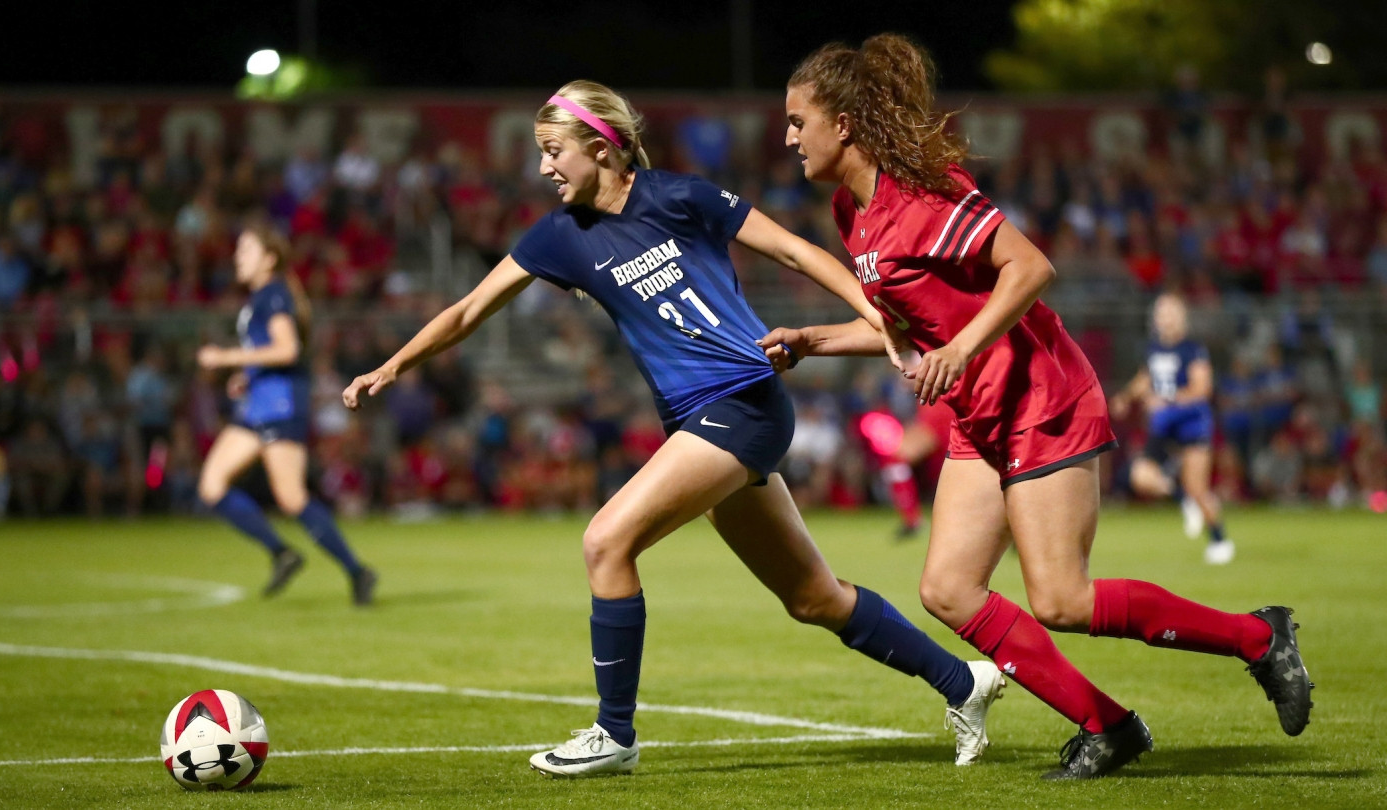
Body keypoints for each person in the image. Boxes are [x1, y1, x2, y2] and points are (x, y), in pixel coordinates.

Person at [343, 80, 1005, 778]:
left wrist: (873, 315)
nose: (543, 168)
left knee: (606, 541)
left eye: (553, 151)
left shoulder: (680, 196)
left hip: (745, 403)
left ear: (600, 148)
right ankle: (965, 682)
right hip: (699, 421)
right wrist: (392, 365)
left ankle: (614, 734)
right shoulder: (560, 237)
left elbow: (795, 252)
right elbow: (469, 310)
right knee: (815, 599)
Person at [764, 34, 1313, 780]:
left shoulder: (923, 198)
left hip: (1040, 398)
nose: (788, 137)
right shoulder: (851, 213)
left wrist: (960, 350)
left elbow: (1030, 266)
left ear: (845, 125)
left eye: (798, 122)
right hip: (982, 412)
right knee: (949, 590)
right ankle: (1108, 726)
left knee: (1060, 598)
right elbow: (907, 327)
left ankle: (1257, 637)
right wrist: (812, 340)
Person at [197, 223, 377, 606]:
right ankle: (282, 553)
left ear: (269, 258)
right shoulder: (263, 297)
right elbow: (270, 353)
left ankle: (357, 571)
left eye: (245, 250)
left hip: (281, 406)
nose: (237, 257)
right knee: (212, 485)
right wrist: (246, 377)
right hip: (258, 404)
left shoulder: (273, 295)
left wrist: (228, 357)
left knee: (292, 499)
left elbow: (287, 350)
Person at [1110, 293, 1236, 564]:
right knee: (1141, 476)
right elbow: (1146, 378)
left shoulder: (1192, 349)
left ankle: (1219, 539)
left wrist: (1166, 400)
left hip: (1191, 423)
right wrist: (1126, 397)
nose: (1164, 318)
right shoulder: (1153, 348)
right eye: (1161, 312)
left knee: (1198, 487)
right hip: (1163, 425)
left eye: (1170, 312)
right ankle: (1182, 499)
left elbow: (1202, 389)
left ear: (1182, 318)